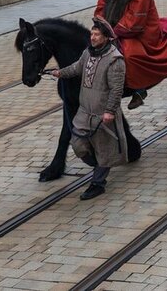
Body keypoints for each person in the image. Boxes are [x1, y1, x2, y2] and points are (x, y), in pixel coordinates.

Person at [48, 17, 128, 200]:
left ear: (106, 37)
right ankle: (99, 164)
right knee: (78, 145)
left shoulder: (115, 60)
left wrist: (109, 111)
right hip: (85, 112)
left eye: (97, 35)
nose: (92, 37)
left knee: (103, 147)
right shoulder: (88, 53)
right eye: (91, 34)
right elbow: (77, 68)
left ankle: (98, 183)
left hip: (102, 112)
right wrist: (60, 73)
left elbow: (116, 89)